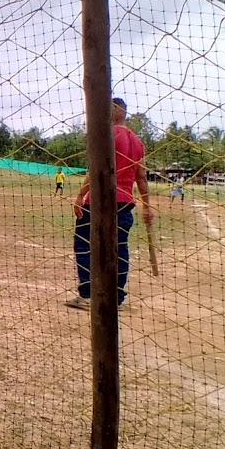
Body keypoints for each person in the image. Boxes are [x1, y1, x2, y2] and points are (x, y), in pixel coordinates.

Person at [67, 97, 152, 310]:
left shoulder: (108, 135)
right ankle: (117, 298)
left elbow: (97, 169)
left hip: (100, 202)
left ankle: (87, 294)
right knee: (119, 249)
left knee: (84, 244)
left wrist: (80, 194)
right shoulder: (137, 141)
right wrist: (147, 206)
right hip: (125, 203)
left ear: (114, 111)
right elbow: (141, 177)